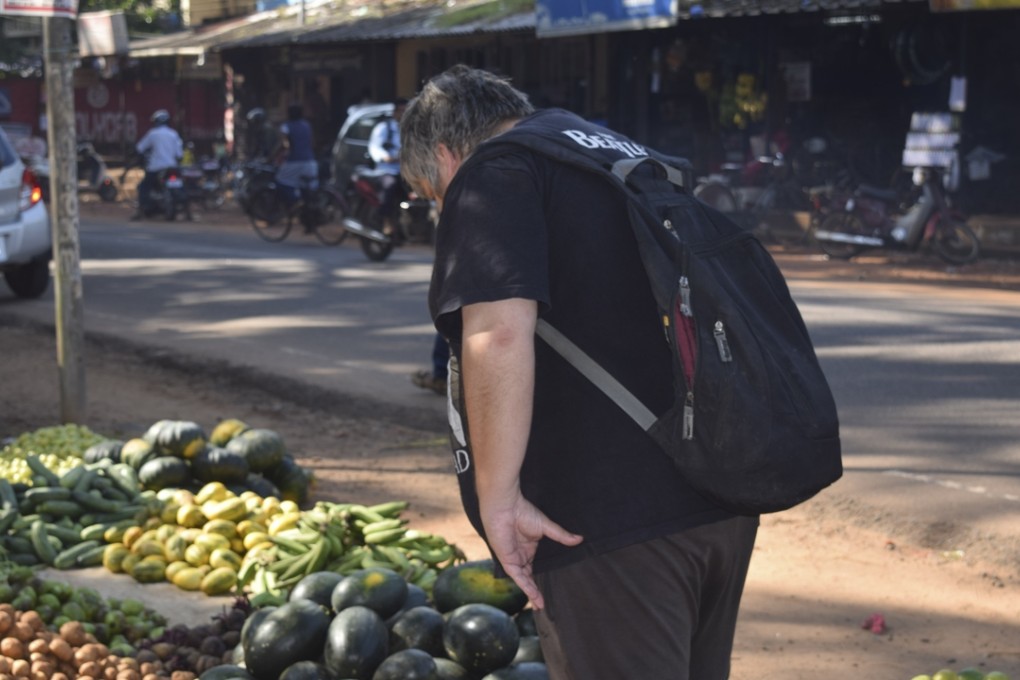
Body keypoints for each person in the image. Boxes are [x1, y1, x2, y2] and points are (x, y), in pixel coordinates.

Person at [400, 64, 758, 680]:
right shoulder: (614, 160)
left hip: (611, 529)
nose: (443, 212)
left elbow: (497, 334)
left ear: (444, 155)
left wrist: (499, 501)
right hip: (717, 504)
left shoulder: (495, 173)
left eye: (436, 194)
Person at [133, 109, 183, 220]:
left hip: (156, 167)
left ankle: (140, 212)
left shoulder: (153, 134)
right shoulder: (174, 134)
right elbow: (179, 154)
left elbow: (140, 148)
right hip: (172, 166)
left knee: (143, 187)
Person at [367, 97, 408, 232]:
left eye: (405, 111)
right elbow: (374, 147)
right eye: (401, 111)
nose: (403, 114)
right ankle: (386, 221)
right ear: (395, 112)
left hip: (407, 171)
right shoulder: (384, 128)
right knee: (389, 186)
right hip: (387, 170)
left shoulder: (411, 129)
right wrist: (387, 157)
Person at [275, 102, 318, 206]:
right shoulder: (307, 125)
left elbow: (284, 145)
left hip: (294, 161)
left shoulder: (286, 126)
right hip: (310, 163)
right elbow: (313, 143)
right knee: (306, 186)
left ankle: (295, 202)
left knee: (281, 180)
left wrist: (272, 156)